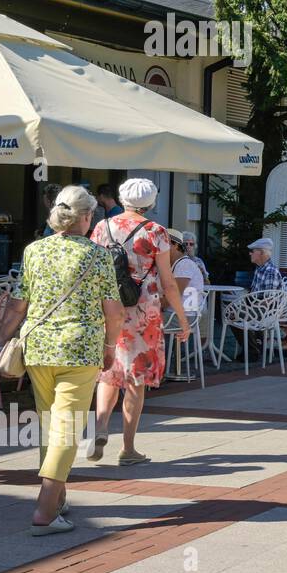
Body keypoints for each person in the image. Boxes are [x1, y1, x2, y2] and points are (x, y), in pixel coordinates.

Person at [0, 186, 124, 534]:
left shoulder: (35, 250)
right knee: (66, 427)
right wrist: (111, 348)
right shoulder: (98, 256)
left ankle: (59, 499)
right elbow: (114, 312)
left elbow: (18, 304)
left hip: (38, 348)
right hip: (79, 349)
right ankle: (45, 511)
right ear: (86, 217)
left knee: (52, 424)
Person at [88, 178, 191, 466]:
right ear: (151, 202)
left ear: (122, 198)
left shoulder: (101, 227)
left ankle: (100, 428)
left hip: (109, 307)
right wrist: (183, 320)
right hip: (143, 311)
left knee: (109, 372)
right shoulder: (155, 231)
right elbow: (169, 283)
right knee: (136, 378)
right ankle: (128, 449)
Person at [167, 229, 205, 317]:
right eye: (185, 244)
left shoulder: (190, 263)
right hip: (186, 305)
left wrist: (202, 274)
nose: (188, 246)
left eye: (191, 244)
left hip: (186, 309)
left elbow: (174, 293)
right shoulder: (175, 261)